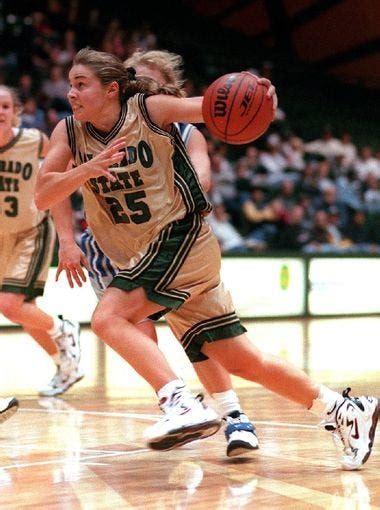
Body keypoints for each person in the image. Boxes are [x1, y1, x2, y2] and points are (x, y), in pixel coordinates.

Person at [35, 48, 379, 469]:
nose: (70, 93)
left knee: (109, 318)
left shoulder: (151, 109)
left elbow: (213, 106)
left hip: (180, 239)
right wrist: (83, 172)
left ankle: (179, 403)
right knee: (241, 359)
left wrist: (258, 94)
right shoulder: (68, 132)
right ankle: (345, 410)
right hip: (145, 254)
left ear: (110, 89)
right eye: (69, 84)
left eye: (80, 84)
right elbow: (43, 193)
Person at [53, 49, 258, 457]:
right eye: (131, 75)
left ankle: (232, 416)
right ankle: (178, 403)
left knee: (193, 334)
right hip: (113, 249)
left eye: (146, 78)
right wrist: (66, 240)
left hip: (170, 243)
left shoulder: (179, 130)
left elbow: (201, 176)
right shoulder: (86, 126)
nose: (137, 82)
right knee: (133, 328)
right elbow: (53, 185)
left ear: (165, 89)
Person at [0, 85, 82, 397]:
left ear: (15, 112)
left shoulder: (34, 140)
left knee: (9, 306)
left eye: (6, 106)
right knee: (24, 310)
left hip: (31, 231)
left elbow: (63, 171)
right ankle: (65, 364)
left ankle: (64, 328)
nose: (0, 112)